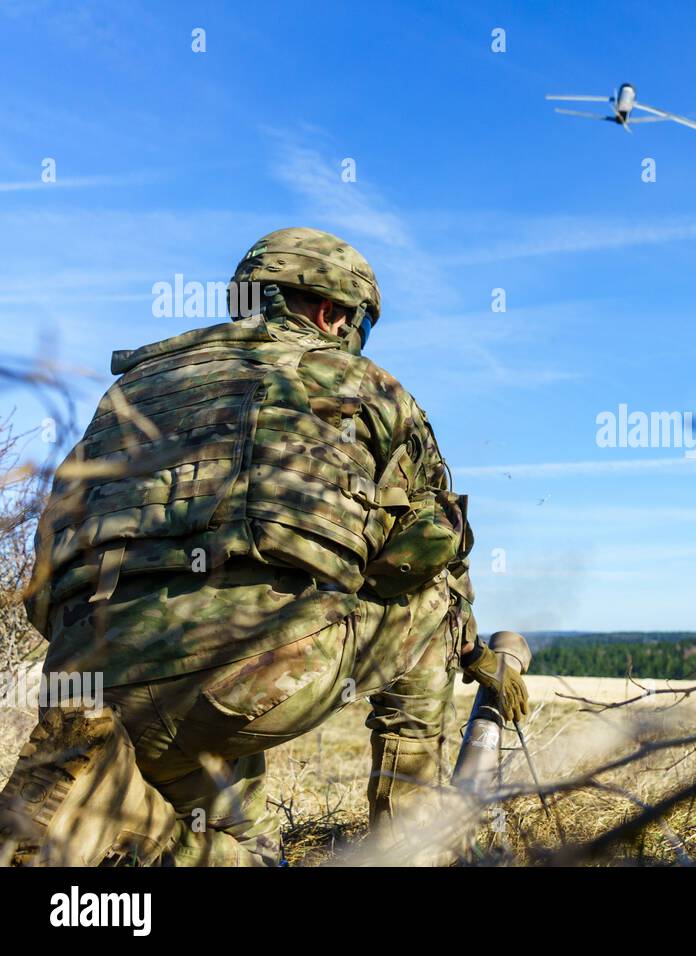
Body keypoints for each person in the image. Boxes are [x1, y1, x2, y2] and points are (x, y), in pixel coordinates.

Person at [0, 227, 527, 866]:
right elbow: (429, 543)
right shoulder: (365, 385)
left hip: (88, 683)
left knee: (235, 845)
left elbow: (46, 568)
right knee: (433, 592)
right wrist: (475, 654)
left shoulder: (128, 391)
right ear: (333, 312)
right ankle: (409, 845)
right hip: (248, 683)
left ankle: (116, 815)